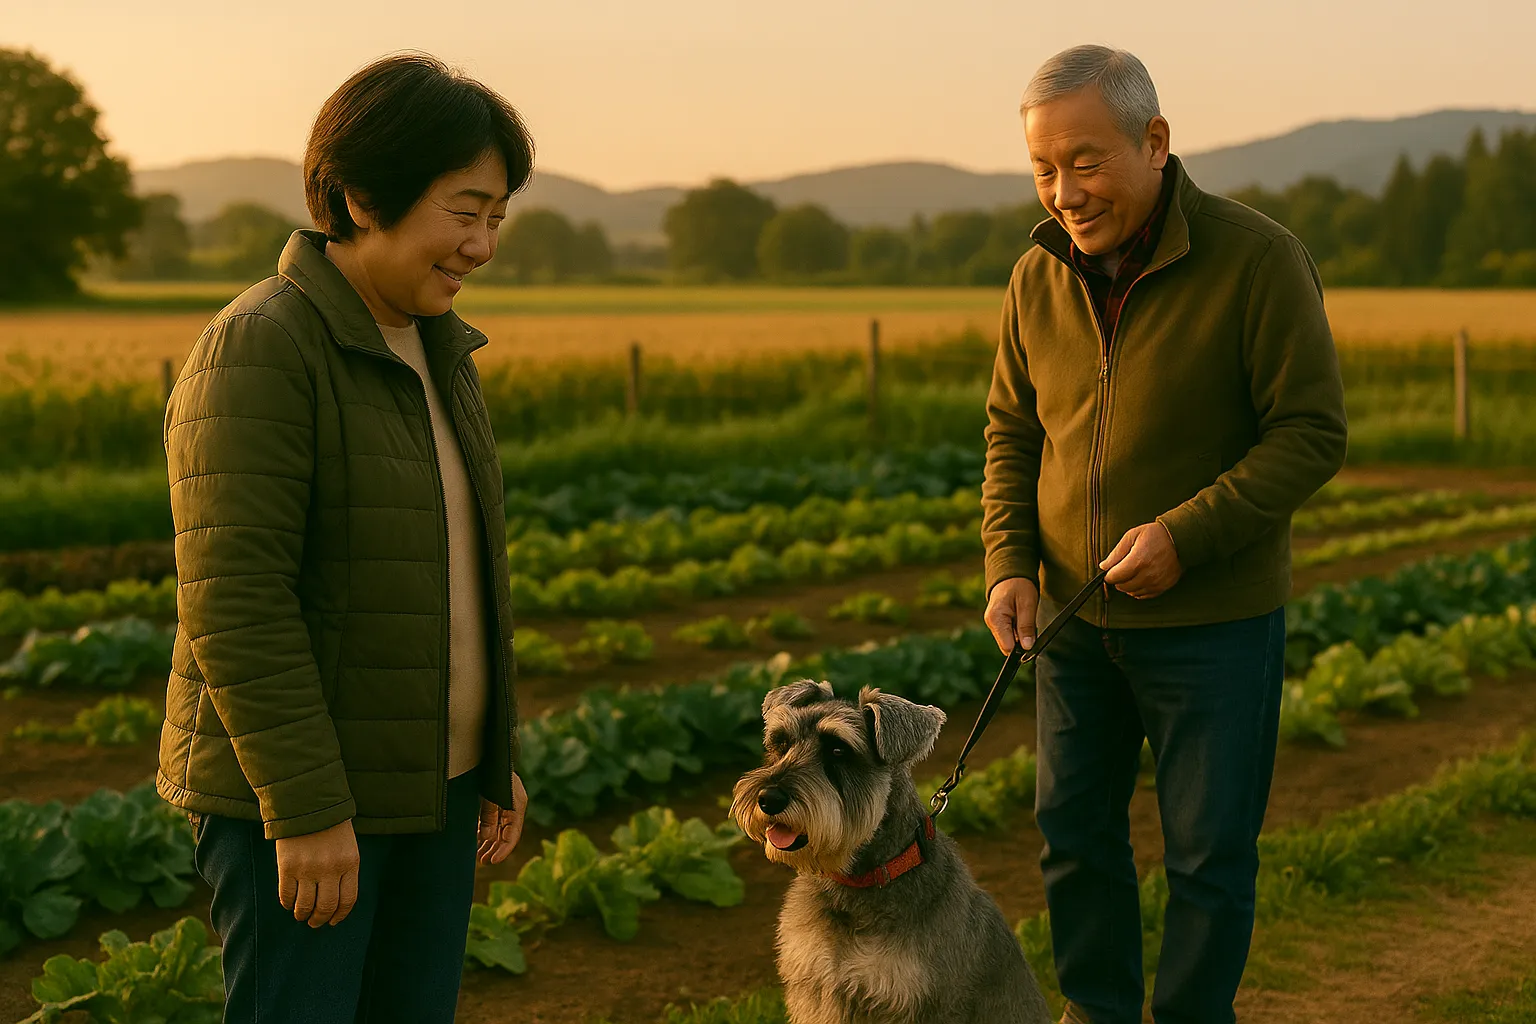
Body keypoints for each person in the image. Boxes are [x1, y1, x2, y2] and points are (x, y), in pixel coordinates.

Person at [157, 53, 533, 1023]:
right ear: (363, 196)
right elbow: (235, 599)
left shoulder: (441, 349)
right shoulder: (265, 344)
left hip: (435, 797)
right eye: (465, 210)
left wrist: (489, 756)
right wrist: (309, 809)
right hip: (309, 812)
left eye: (497, 216)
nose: (483, 245)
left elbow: (456, 571)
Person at [980, 45, 1348, 1024]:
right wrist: (1010, 565)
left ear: (1155, 141)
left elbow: (1311, 433)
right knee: (1071, 834)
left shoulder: (1257, 259)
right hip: (1066, 621)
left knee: (1207, 852)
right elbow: (1013, 433)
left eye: (1086, 161)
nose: (1065, 190)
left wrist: (1186, 534)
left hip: (1213, 624)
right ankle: (1097, 1011)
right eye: (1043, 168)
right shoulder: (1033, 278)